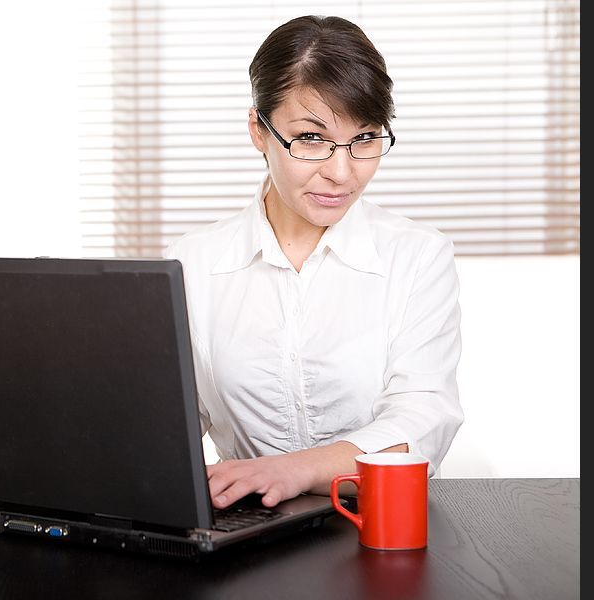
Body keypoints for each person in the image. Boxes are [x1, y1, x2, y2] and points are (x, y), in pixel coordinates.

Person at [163, 15, 463, 510]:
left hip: (379, 524)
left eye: (365, 138)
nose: (342, 172)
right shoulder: (191, 264)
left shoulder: (417, 255)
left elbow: (423, 423)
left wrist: (294, 470)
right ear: (259, 131)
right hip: (243, 529)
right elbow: (165, 427)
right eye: (311, 138)